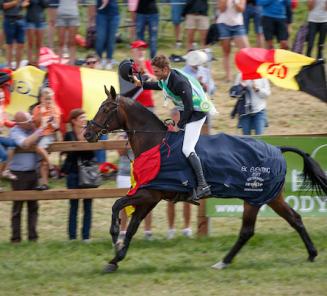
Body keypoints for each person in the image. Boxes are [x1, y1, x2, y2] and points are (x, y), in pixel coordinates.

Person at [133, 54, 216, 201]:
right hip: (188, 112)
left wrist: (179, 126)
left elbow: (189, 107)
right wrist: (142, 84)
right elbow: (158, 85)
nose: (155, 75)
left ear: (165, 69)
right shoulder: (166, 78)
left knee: (187, 149)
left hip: (196, 113)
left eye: (157, 72)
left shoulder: (179, 82)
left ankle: (203, 185)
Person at [8, 111, 44, 243]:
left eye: (31, 119)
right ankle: (16, 238)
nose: (31, 122)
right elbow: (25, 143)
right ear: (19, 123)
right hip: (18, 174)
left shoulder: (32, 130)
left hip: (33, 172)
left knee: (33, 207)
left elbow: (45, 139)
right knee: (17, 207)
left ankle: (33, 237)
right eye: (28, 121)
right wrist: (40, 130)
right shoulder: (14, 132)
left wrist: (44, 126)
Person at [61, 109, 95, 241]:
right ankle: (72, 236)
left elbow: (91, 154)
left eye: (85, 117)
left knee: (88, 205)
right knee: (73, 205)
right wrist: (80, 138)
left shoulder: (90, 133)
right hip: (73, 173)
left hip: (87, 173)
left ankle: (86, 236)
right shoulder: (68, 135)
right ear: (74, 120)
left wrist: (85, 135)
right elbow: (68, 153)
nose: (84, 120)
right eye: (81, 117)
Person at [116, 134, 153, 240]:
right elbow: (120, 152)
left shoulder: (145, 132)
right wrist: (127, 140)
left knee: (147, 203)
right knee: (124, 204)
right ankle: (123, 232)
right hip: (125, 173)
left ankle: (148, 231)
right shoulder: (122, 135)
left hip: (142, 172)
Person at [166, 108, 192, 239]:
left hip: (185, 169)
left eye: (179, 119)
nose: (177, 122)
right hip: (172, 169)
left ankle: (187, 228)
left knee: (188, 199)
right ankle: (171, 229)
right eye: (175, 119)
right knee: (171, 200)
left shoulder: (187, 131)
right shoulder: (167, 132)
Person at [32, 87, 61, 190]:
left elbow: (57, 126)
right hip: (38, 134)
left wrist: (52, 122)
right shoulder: (37, 109)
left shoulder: (55, 109)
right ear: (41, 99)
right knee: (41, 161)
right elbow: (35, 124)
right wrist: (42, 113)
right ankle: (44, 183)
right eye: (46, 98)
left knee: (38, 148)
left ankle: (51, 166)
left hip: (48, 135)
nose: (48, 101)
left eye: (50, 98)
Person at [216, 0, 249, 82]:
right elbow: (221, 9)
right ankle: (228, 76)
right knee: (226, 51)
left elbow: (241, 9)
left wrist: (235, 2)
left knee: (245, 51)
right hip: (223, 24)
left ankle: (246, 74)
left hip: (238, 24)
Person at [1, 0, 29, 69]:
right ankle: (9, 67)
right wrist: (15, 2)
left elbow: (25, 2)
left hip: (21, 19)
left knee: (20, 45)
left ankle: (18, 67)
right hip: (9, 19)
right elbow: (3, 6)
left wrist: (24, 4)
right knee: (10, 45)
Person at [130, 40, 156, 110]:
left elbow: (155, 81)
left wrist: (145, 70)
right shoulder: (128, 66)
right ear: (132, 51)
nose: (141, 52)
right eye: (139, 49)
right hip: (133, 106)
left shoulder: (148, 64)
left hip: (149, 105)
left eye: (143, 49)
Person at [95, 0, 120, 70]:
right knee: (100, 38)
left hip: (114, 14)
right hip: (101, 14)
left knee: (111, 39)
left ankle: (109, 60)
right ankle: (98, 60)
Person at [56, 0, 80, 64]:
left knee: (72, 42)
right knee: (61, 42)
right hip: (61, 15)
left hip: (73, 15)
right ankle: (59, 63)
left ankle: (71, 64)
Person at [25, 0, 48, 66]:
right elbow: (24, 5)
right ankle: (30, 62)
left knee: (39, 44)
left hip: (41, 21)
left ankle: (37, 63)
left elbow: (46, 4)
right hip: (30, 21)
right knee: (30, 43)